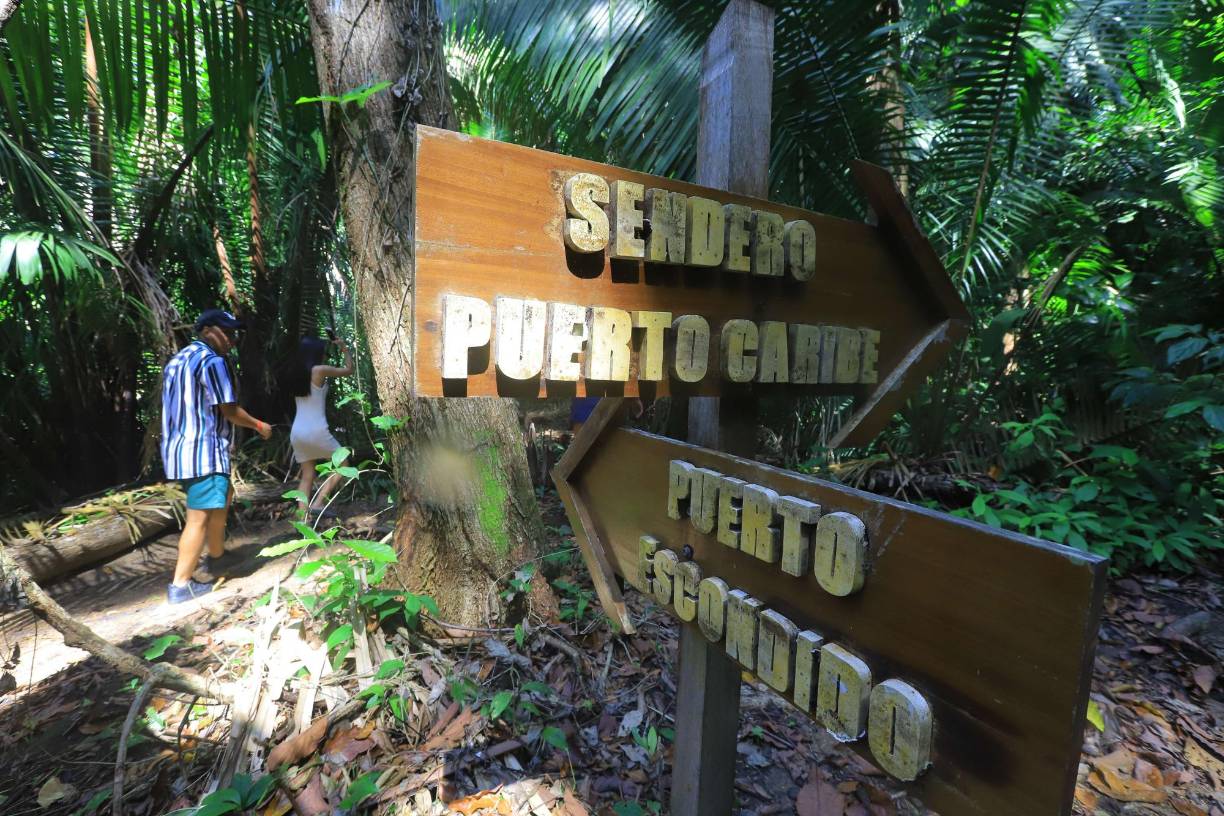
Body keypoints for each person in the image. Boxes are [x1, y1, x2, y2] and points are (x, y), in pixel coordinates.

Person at [161, 309, 273, 604]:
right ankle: (180, 585)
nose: (232, 340)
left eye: (235, 334)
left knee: (222, 497)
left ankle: (218, 555)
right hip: (203, 451)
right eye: (228, 332)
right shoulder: (212, 361)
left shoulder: (177, 360)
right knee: (198, 517)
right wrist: (260, 426)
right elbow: (230, 411)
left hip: (180, 452)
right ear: (208, 329)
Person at [288, 334, 354, 517]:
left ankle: (302, 524)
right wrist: (343, 347)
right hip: (316, 430)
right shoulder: (318, 370)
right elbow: (349, 370)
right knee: (343, 465)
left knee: (307, 476)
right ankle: (317, 503)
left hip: (297, 433)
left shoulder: (295, 372)